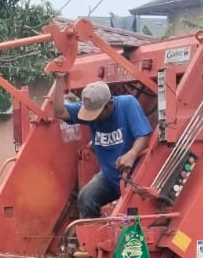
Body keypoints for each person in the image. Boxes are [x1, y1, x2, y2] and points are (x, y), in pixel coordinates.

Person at [49, 77, 152, 218]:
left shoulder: (127, 104)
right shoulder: (90, 110)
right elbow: (59, 112)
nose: (93, 119)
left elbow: (144, 136)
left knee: (132, 215)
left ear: (109, 104)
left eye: (97, 114)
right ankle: (93, 236)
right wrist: (59, 78)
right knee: (86, 197)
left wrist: (132, 154)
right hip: (109, 176)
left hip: (135, 175)